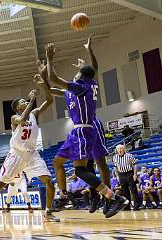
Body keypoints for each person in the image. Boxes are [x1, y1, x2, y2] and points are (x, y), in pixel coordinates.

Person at [46, 37, 127, 218]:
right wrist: (89, 50)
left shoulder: (81, 87)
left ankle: (112, 197)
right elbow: (93, 69)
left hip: (84, 130)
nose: (74, 75)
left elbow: (54, 79)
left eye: (77, 73)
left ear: (81, 77)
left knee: (83, 170)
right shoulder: (88, 84)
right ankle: (64, 195)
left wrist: (49, 58)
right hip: (77, 131)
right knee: (57, 162)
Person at [0, 71, 58, 222]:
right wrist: (32, 99)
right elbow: (22, 120)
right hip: (17, 154)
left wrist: (43, 84)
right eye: (23, 102)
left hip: (32, 154)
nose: (26, 102)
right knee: (1, 183)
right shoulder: (14, 118)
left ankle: (48, 211)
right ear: (17, 107)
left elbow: (49, 100)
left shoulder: (34, 113)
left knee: (49, 181)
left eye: (26, 101)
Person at [112, 145, 140, 211]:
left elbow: (135, 164)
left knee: (133, 190)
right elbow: (115, 167)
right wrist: (117, 175)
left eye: (121, 148)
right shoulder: (114, 157)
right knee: (125, 191)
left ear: (124, 149)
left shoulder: (129, 155)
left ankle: (136, 206)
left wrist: (135, 174)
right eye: (118, 148)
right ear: (116, 150)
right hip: (121, 174)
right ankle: (127, 206)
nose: (120, 150)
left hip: (129, 173)